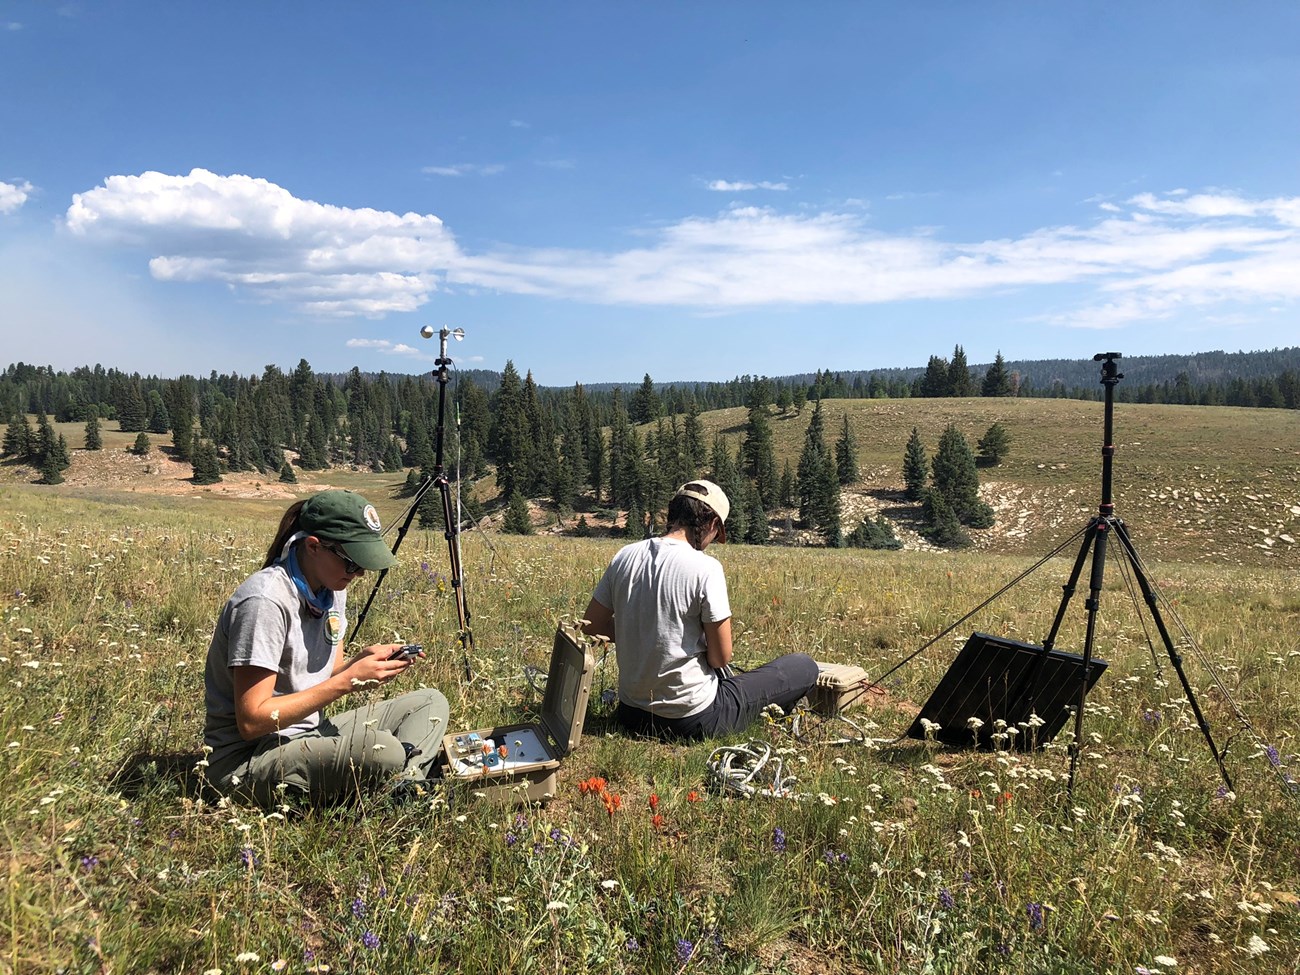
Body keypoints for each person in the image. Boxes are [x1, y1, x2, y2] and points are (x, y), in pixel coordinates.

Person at [202, 489, 449, 805]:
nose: (359, 573)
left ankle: (404, 787)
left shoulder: (332, 587)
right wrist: (346, 682)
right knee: (383, 750)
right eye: (352, 563)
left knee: (429, 702)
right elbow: (252, 721)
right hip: (248, 758)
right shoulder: (265, 602)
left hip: (308, 732)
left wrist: (361, 665)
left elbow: (327, 672)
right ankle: (400, 782)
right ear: (314, 547)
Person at [582, 480, 818, 739]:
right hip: (692, 718)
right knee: (803, 666)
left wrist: (643, 631)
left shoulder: (625, 555)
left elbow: (591, 625)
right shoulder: (706, 568)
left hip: (631, 714)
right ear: (713, 524)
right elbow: (720, 659)